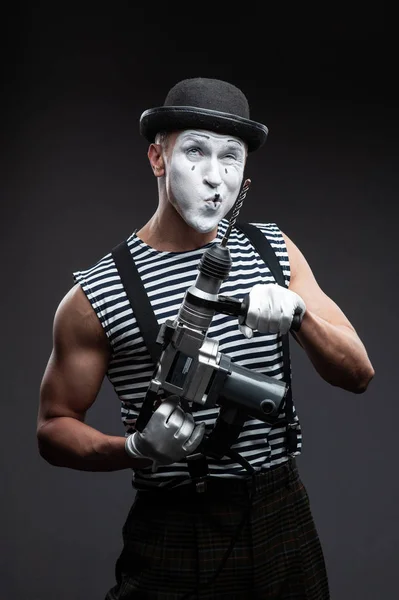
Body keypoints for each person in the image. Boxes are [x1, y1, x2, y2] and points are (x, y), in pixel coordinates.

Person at [37, 77, 375, 599]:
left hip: (281, 515)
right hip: (175, 527)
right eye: (195, 151)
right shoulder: (95, 294)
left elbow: (359, 374)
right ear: (157, 158)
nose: (215, 178)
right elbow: (53, 427)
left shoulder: (273, 251)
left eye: (231, 158)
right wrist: (133, 448)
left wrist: (300, 316)